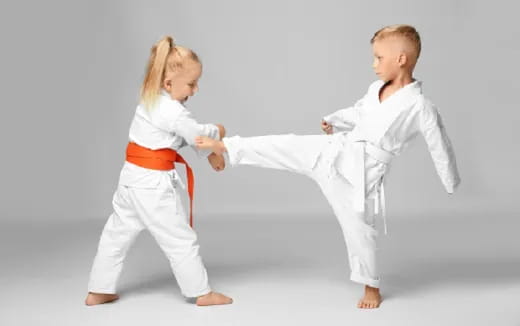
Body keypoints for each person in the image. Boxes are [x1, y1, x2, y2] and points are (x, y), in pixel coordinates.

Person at [195, 25, 460, 309]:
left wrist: (450, 181)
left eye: (379, 58)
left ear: (401, 59)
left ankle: (371, 286)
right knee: (286, 144)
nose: (374, 65)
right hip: (337, 151)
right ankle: (226, 149)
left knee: (358, 229)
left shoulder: (420, 106)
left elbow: (439, 143)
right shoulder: (376, 89)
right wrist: (335, 120)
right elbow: (359, 112)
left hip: (360, 176)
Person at [85, 36, 232, 306]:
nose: (195, 90)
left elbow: (183, 140)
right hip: (153, 185)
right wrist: (218, 132)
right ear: (168, 83)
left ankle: (99, 289)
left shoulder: (148, 100)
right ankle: (201, 292)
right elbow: (198, 138)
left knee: (116, 234)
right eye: (191, 84)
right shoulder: (173, 112)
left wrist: (212, 150)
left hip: (130, 180)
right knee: (180, 238)